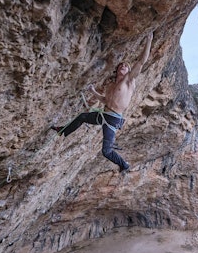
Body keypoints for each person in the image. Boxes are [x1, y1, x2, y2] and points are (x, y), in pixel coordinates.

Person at [51, 32, 153, 173]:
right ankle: (62, 131)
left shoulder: (129, 81)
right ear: (117, 69)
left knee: (106, 151)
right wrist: (93, 91)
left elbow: (141, 61)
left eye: (126, 66)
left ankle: (124, 165)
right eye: (121, 65)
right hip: (103, 114)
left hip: (113, 119)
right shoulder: (111, 85)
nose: (123, 66)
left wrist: (149, 41)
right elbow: (105, 100)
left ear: (129, 70)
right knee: (82, 117)